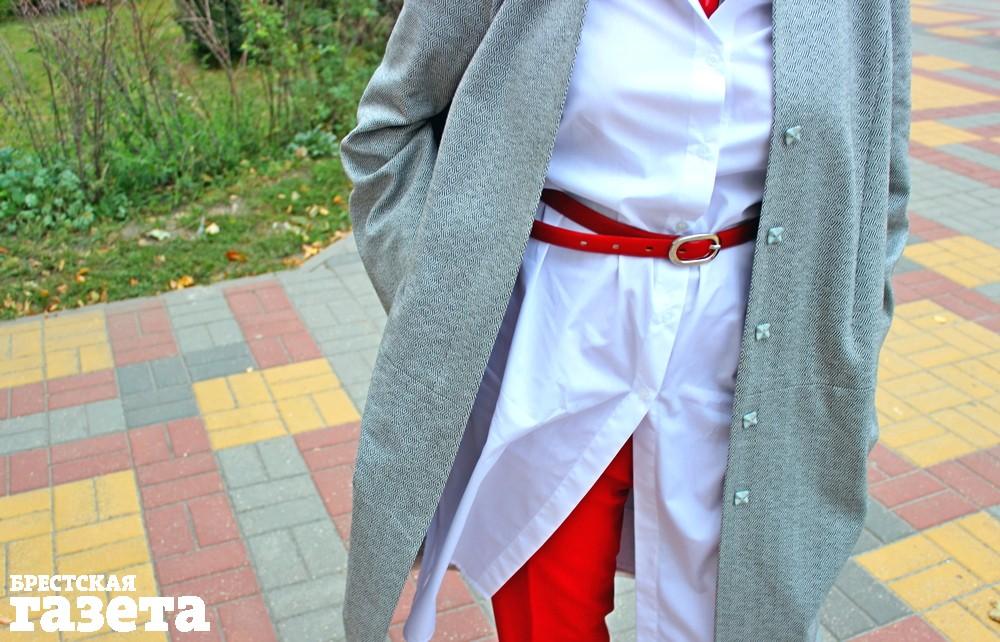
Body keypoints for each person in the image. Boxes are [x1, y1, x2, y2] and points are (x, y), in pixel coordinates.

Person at [337, 0, 912, 638]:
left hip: (757, 337)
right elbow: (389, 131)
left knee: (736, 616)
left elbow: (882, 182)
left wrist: (853, 335)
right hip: (553, 332)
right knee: (547, 618)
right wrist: (441, 307)